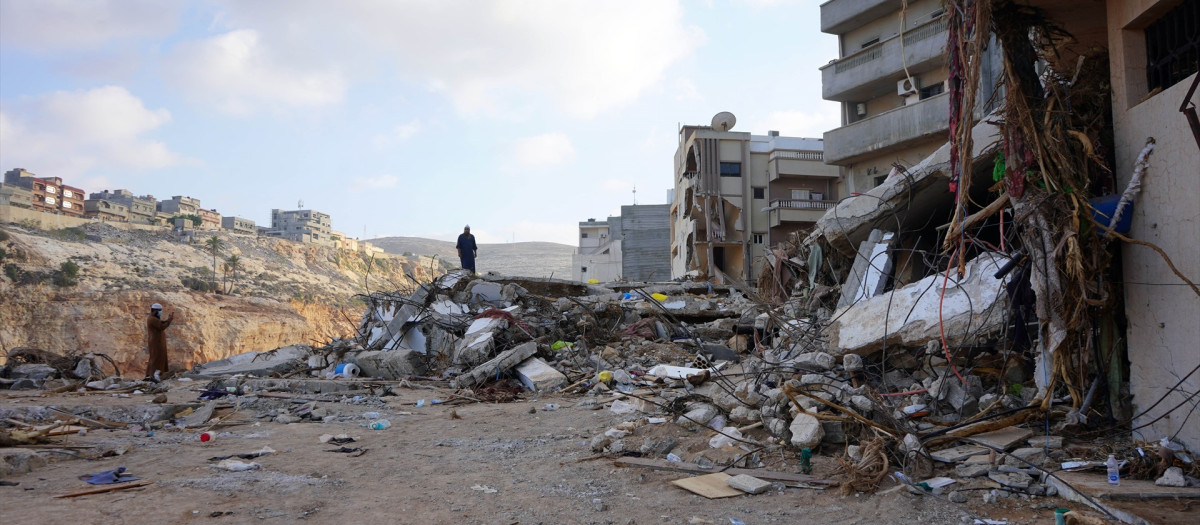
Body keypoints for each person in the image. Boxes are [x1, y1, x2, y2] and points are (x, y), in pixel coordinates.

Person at [145, 303, 175, 381]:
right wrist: (169, 320)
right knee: (156, 358)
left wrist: (168, 319)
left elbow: (161, 322)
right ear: (155, 311)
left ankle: (151, 375)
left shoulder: (153, 318)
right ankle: (153, 375)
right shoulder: (152, 319)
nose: (160, 312)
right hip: (156, 342)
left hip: (158, 341)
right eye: (159, 311)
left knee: (157, 357)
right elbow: (162, 326)